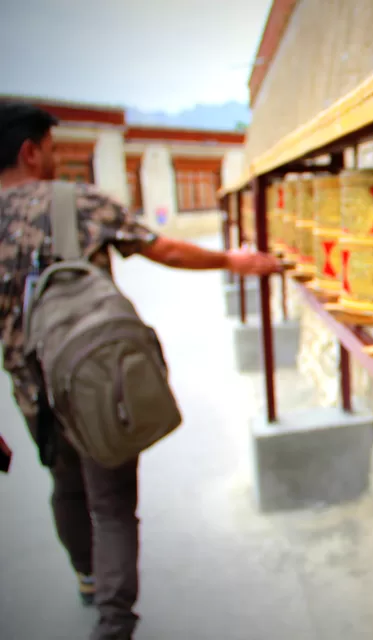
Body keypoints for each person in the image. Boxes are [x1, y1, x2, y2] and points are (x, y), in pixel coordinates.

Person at [0, 102, 280, 640]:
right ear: (29, 151)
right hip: (98, 385)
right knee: (111, 507)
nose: (57, 161)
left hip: (35, 393)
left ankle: (87, 578)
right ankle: (114, 623)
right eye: (54, 150)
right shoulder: (74, 203)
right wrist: (233, 261)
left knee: (65, 487)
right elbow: (165, 249)